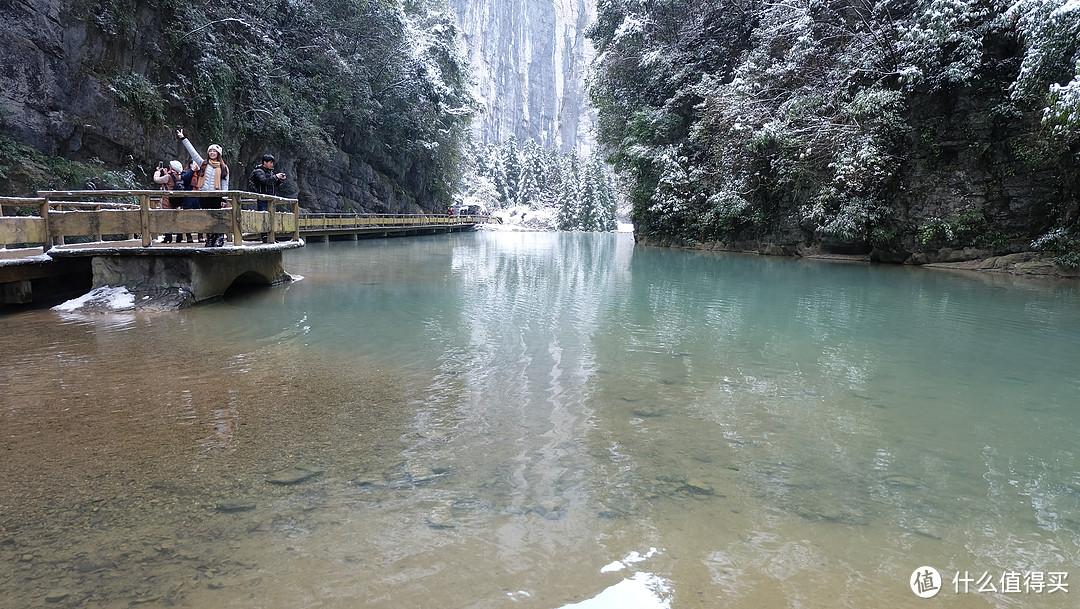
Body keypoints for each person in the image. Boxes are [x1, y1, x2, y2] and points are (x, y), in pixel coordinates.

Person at [177, 128, 230, 247]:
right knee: (207, 217)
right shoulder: (203, 164)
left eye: (214, 151)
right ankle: (209, 238)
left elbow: (225, 184)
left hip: (217, 195)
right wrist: (183, 139)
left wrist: (224, 199)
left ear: (218, 154)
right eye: (210, 151)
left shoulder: (223, 168)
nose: (212, 153)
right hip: (204, 195)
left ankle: (219, 237)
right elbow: (193, 152)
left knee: (217, 217)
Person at [153, 160, 185, 243]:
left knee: (166, 217)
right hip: (177, 199)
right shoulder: (179, 176)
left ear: (172, 167)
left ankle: (168, 237)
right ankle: (179, 237)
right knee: (176, 218)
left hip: (167, 199)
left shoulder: (168, 176)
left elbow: (157, 179)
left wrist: (158, 171)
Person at [180, 161, 200, 243]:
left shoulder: (200, 173)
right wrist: (192, 170)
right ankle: (188, 236)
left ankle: (200, 236)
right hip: (188, 197)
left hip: (198, 197)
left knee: (200, 216)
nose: (195, 165)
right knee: (187, 217)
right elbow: (184, 178)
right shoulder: (186, 172)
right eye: (192, 163)